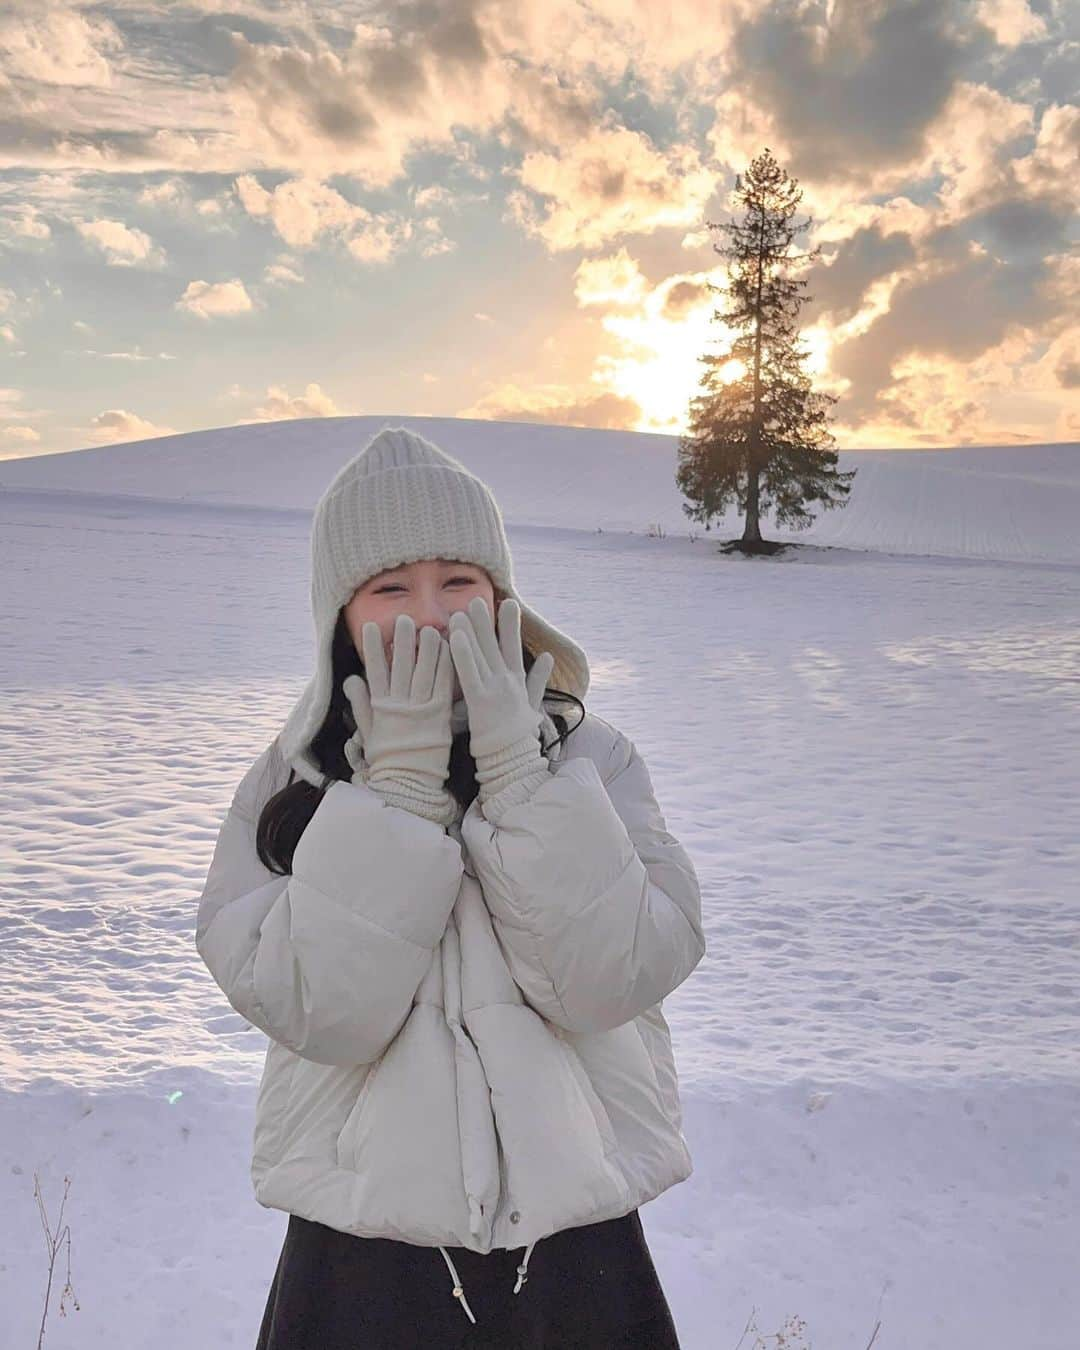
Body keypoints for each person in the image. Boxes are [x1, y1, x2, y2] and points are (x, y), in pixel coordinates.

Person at [195, 425, 706, 1348]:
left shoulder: (591, 757)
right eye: (391, 587)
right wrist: (390, 798)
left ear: (505, 597)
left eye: (459, 581)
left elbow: (614, 977)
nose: (430, 613)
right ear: (341, 616)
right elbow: (320, 1009)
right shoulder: (295, 784)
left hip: (572, 1245)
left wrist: (520, 774)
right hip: (361, 1253)